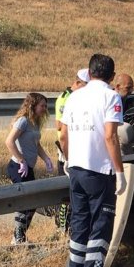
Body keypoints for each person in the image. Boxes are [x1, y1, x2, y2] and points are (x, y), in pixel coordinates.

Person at [60, 53, 126, 267]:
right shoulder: (111, 97)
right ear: (112, 75)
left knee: (80, 226)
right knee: (100, 227)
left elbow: (63, 135)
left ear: (89, 72)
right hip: (99, 171)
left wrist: (68, 160)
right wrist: (120, 172)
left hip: (75, 169)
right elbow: (110, 136)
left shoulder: (75, 97)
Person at [4, 93, 54, 244]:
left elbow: (36, 144)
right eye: (42, 106)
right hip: (17, 167)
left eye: (46, 106)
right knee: (25, 202)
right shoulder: (23, 121)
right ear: (33, 106)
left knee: (32, 203)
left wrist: (46, 159)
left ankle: (19, 235)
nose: (45, 109)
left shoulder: (35, 122)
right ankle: (18, 237)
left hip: (28, 168)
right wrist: (21, 160)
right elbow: (9, 141)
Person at [53, 68, 90, 233]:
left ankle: (72, 226)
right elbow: (60, 126)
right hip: (66, 150)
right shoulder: (66, 98)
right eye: (86, 86)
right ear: (77, 83)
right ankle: (62, 227)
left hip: (77, 151)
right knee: (66, 194)